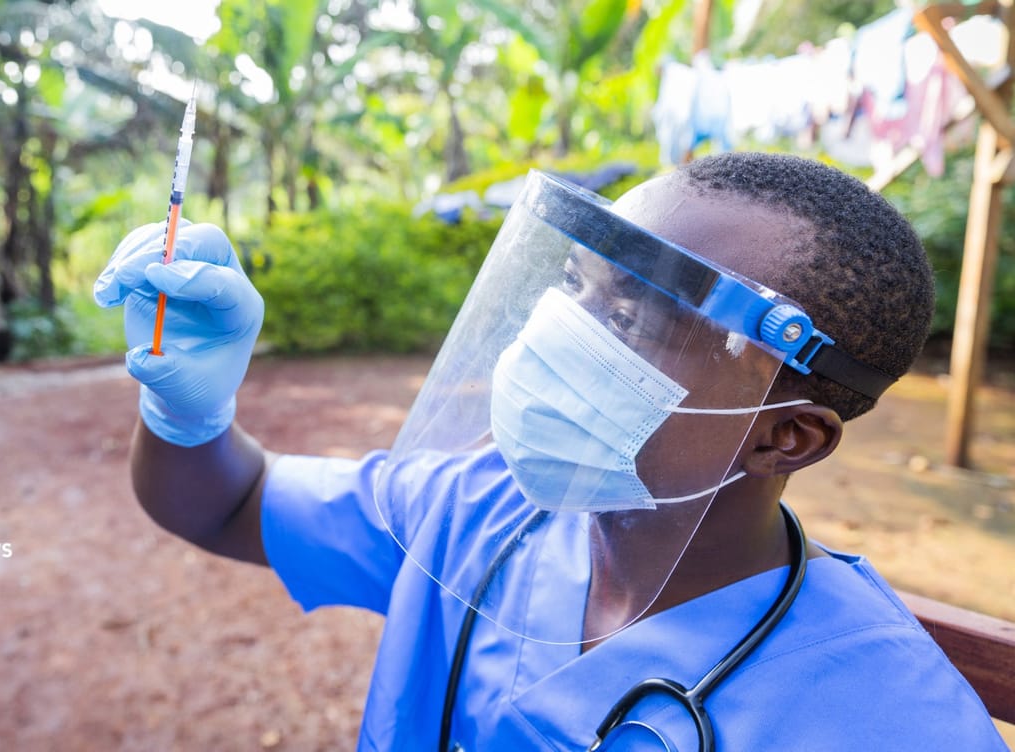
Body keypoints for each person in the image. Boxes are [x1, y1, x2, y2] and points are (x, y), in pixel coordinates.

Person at [95, 152, 1008, 750]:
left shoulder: (892, 720)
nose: (564, 329)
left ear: (785, 435)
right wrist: (187, 411)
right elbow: (227, 501)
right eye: (578, 284)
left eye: (634, 315)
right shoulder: (479, 508)